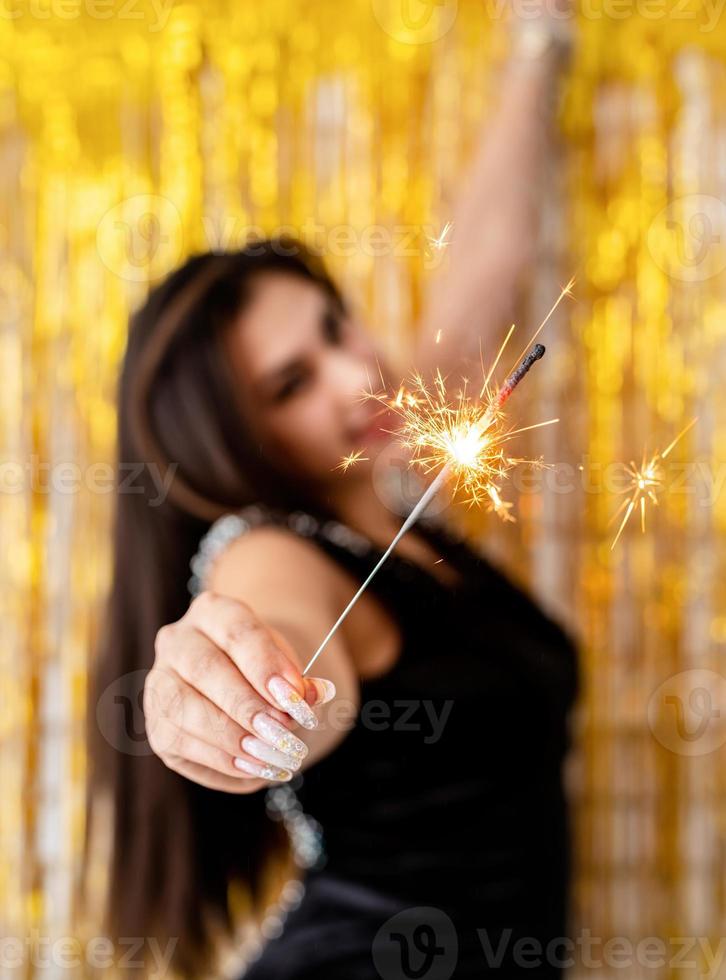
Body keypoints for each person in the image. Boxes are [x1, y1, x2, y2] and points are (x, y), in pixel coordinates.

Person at [87, 9, 578, 979]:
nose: (355, 375)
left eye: (336, 327)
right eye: (290, 384)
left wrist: (541, 37)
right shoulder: (267, 549)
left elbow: (483, 271)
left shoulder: (395, 499)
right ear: (240, 441)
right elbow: (281, 639)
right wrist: (240, 701)